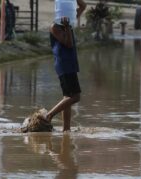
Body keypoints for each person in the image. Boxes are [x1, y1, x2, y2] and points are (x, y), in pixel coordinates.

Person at [46, 0, 86, 132]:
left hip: (70, 64)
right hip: (64, 65)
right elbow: (68, 43)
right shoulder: (55, 27)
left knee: (67, 97)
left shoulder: (70, 21)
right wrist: (67, 27)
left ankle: (66, 130)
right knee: (75, 97)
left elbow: (83, 6)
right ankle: (48, 116)